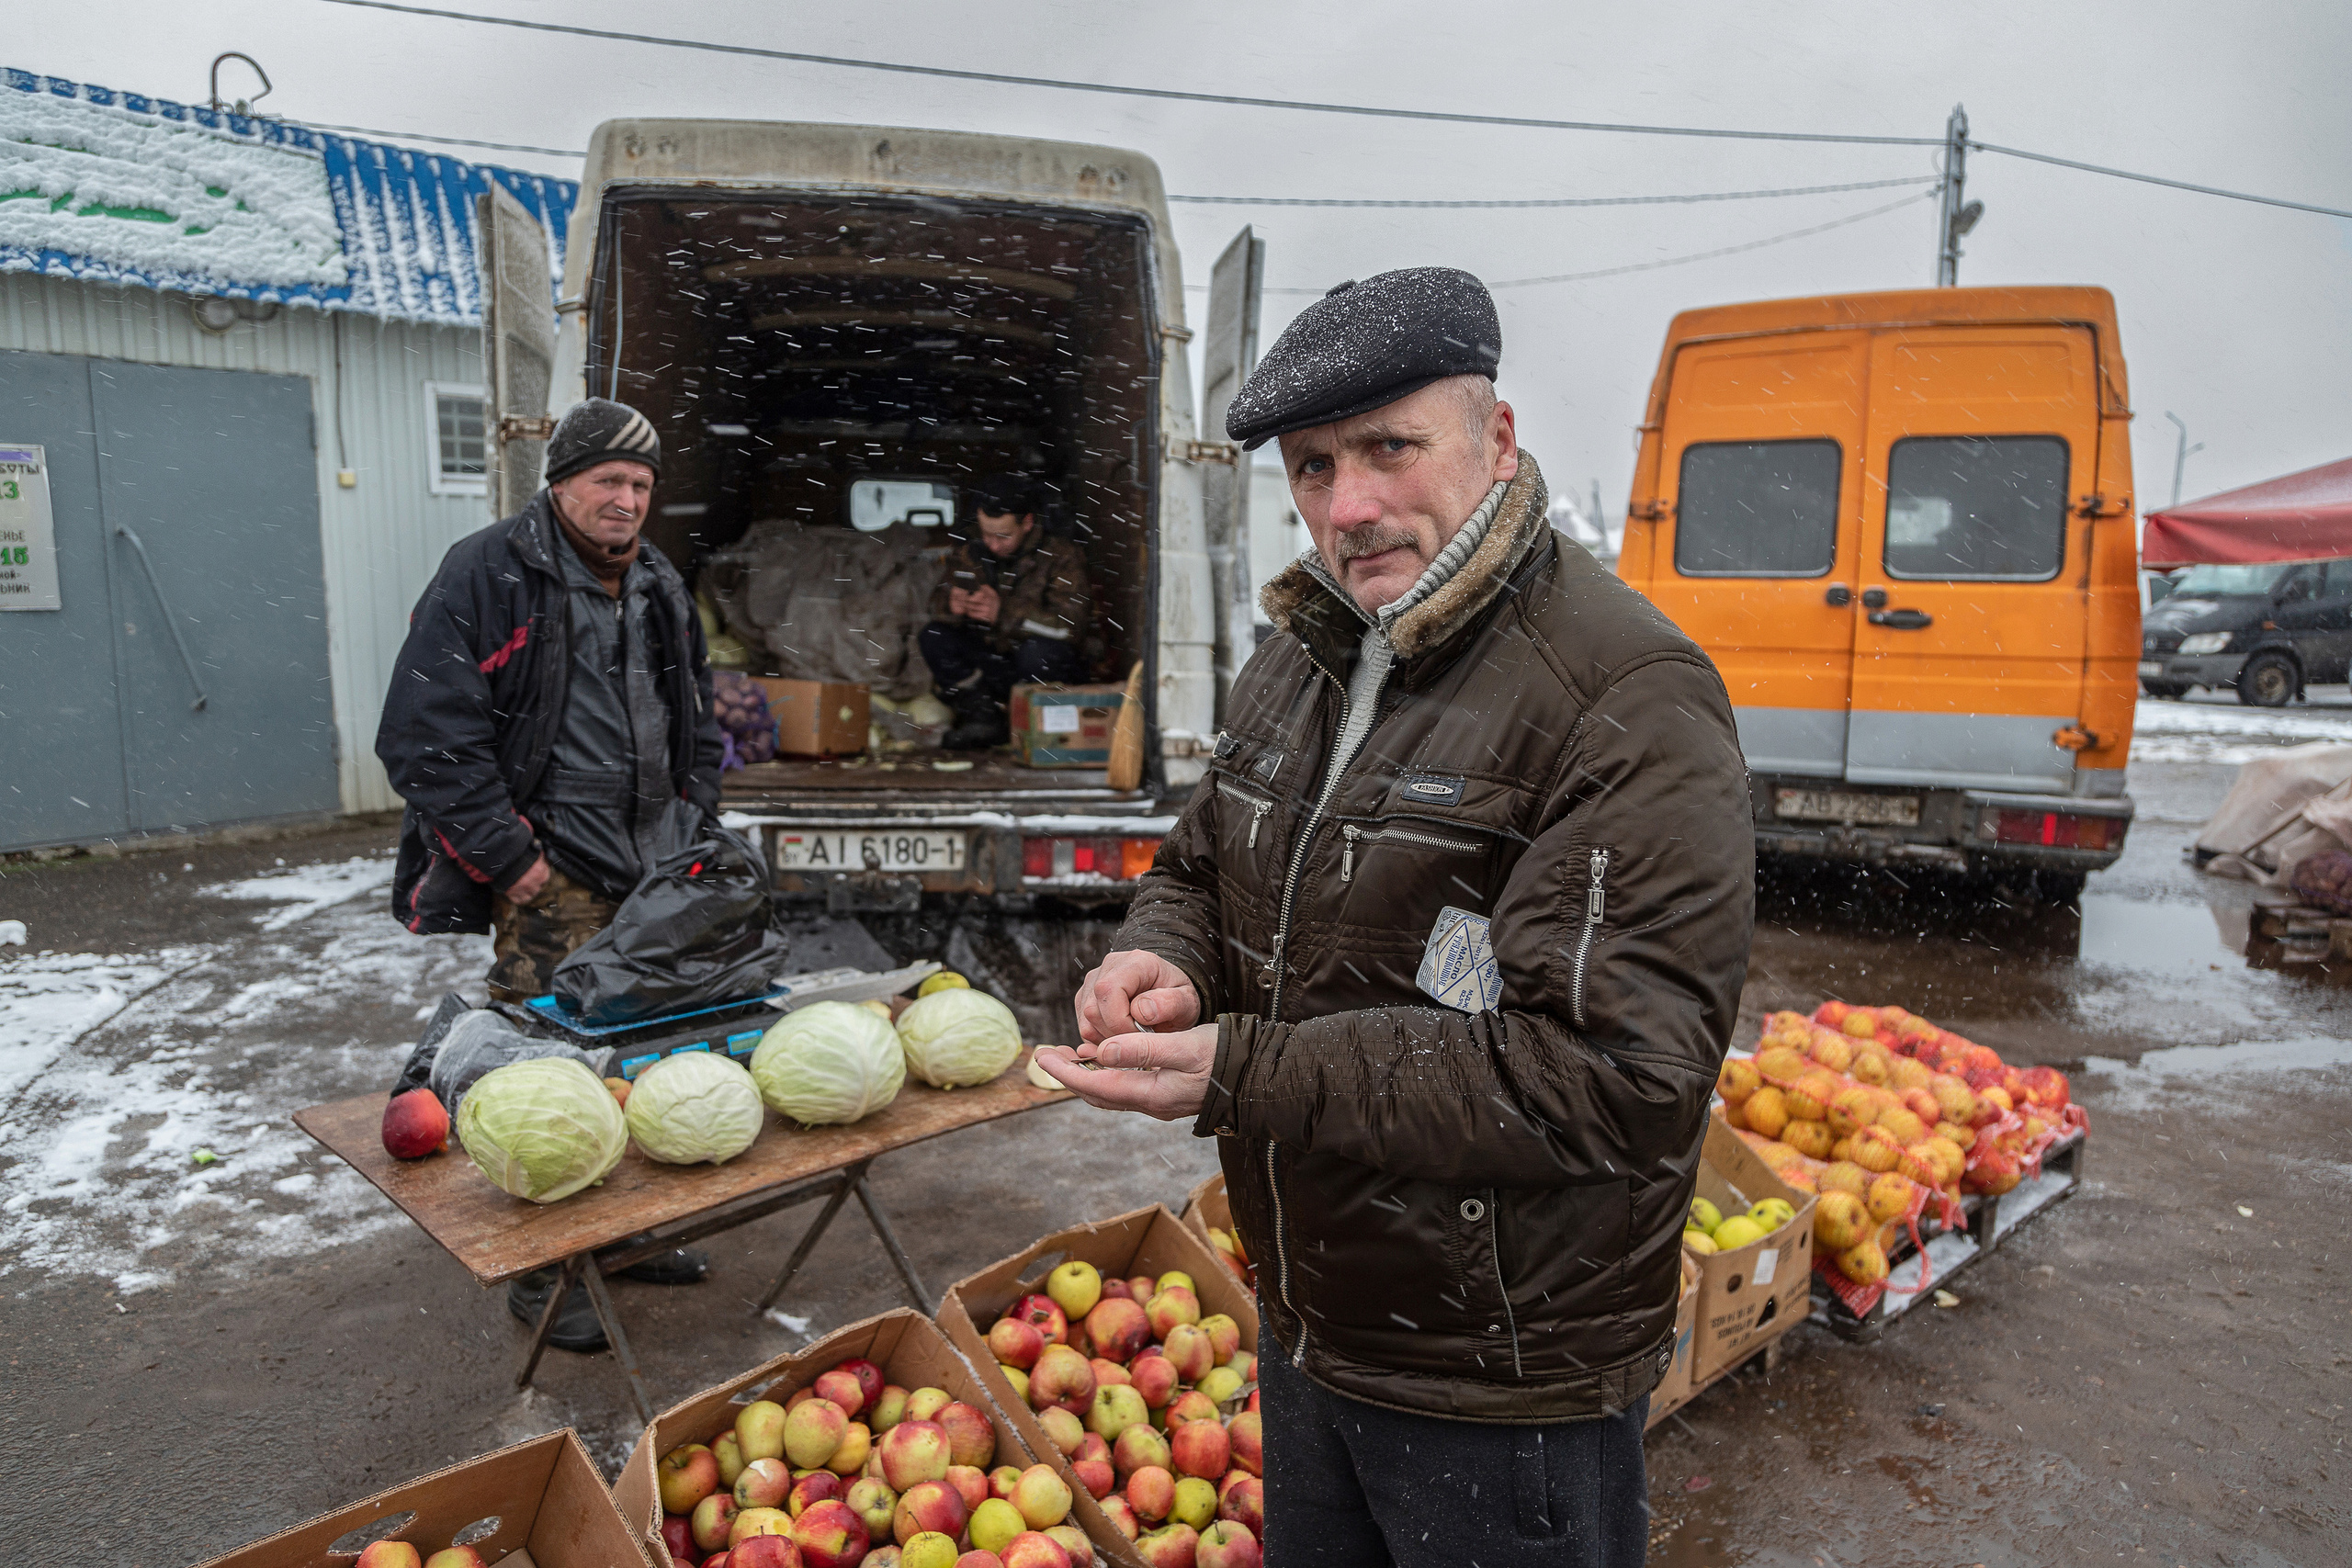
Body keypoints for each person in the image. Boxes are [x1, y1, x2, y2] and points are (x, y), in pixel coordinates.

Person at [1035, 269, 1754, 1567]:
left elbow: (1616, 1073)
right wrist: (1164, 949)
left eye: (1389, 447)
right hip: (1314, 1327)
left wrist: (1244, 1068)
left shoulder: (1627, 694)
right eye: (1313, 467)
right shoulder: (1308, 646)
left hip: (1500, 1381)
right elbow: (1201, 861)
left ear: (1499, 437)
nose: (1348, 505)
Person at [377, 397, 723, 1350]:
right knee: (540, 1076)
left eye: (641, 485)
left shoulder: (654, 582)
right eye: (608, 480)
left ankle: (623, 1235)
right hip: (552, 872)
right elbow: (423, 735)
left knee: (640, 1059)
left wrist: (698, 825)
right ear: (562, 483)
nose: (625, 500)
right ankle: (545, 1277)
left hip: (653, 870)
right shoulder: (489, 572)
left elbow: (693, 719)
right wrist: (509, 858)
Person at [917, 473, 1093, 749]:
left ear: (1027, 523)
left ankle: (1034, 724)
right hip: (992, 665)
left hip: (1041, 668)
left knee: (1037, 653)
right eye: (987, 534)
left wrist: (1004, 612)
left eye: (1003, 536)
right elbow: (934, 603)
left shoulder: (1062, 556)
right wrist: (951, 605)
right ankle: (984, 718)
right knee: (934, 636)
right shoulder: (971, 550)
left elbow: (1069, 628)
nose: (993, 544)